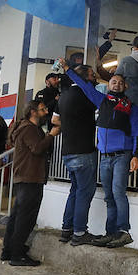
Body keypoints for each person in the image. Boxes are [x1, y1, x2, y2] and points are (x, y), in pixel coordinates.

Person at [65, 67, 138, 248]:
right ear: (108, 84)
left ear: (126, 86)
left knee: (118, 193)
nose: (117, 85)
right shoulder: (102, 100)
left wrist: (135, 156)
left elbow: (137, 133)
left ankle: (123, 231)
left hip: (122, 156)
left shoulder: (131, 107)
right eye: (114, 82)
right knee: (108, 196)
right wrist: (68, 69)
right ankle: (111, 233)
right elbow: (85, 87)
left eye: (120, 83)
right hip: (105, 157)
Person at [3, 100, 59, 265]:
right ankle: (17, 254)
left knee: (17, 216)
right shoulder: (29, 129)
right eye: (43, 109)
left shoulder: (26, 128)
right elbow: (37, 148)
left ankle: (9, 250)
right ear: (33, 112)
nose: (46, 112)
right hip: (30, 177)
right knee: (25, 218)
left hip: (25, 177)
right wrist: (51, 135)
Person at [57, 63, 100, 244]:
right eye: (91, 75)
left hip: (68, 151)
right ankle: (80, 233)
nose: (94, 78)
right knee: (84, 192)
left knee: (74, 190)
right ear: (84, 78)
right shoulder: (85, 95)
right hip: (84, 150)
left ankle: (67, 229)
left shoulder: (64, 97)